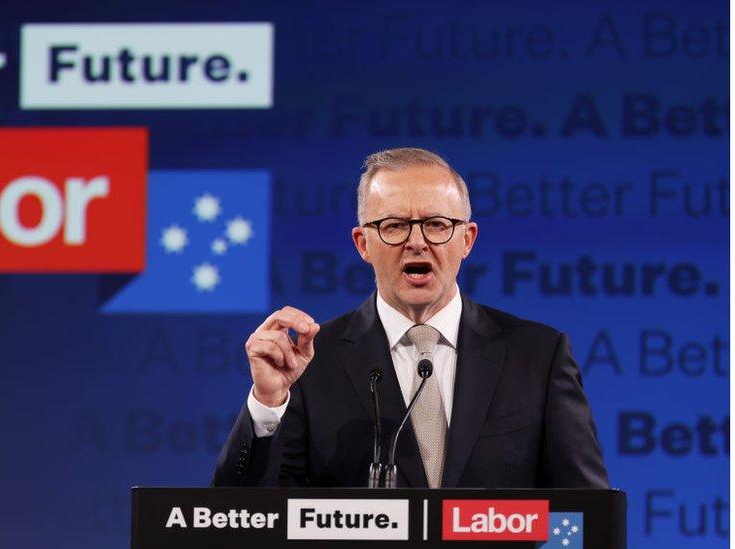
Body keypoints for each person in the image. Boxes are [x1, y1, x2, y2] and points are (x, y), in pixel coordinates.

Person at [212, 147, 609, 488]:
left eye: (437, 224)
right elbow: (241, 519)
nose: (416, 242)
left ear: (467, 239)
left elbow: (586, 516)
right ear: (362, 243)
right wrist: (268, 403)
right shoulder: (309, 362)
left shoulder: (537, 356)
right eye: (394, 226)